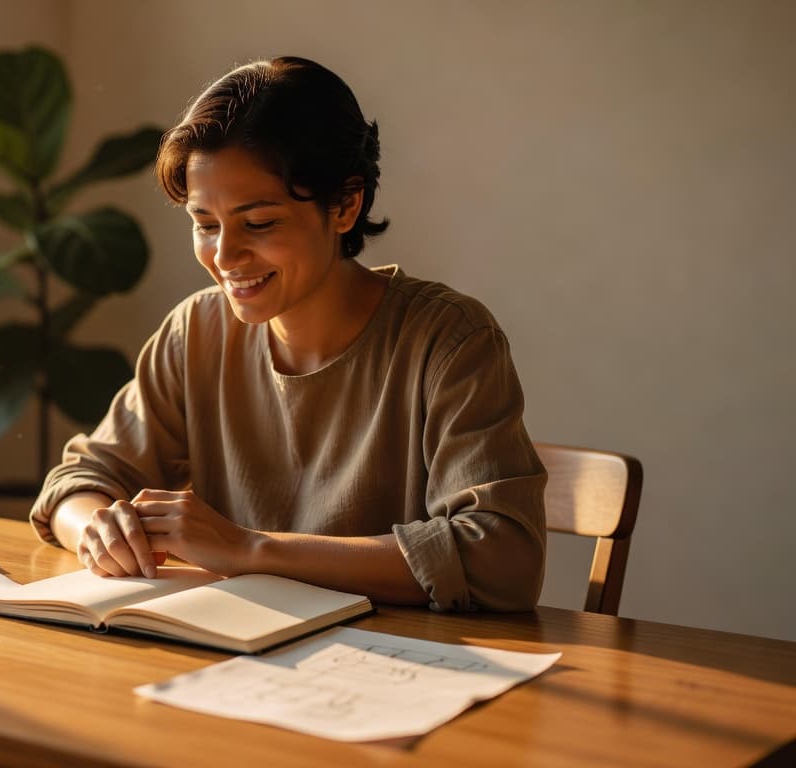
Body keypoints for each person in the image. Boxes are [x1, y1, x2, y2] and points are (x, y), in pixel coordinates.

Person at [28, 56, 546, 612]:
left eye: (259, 223)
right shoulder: (196, 332)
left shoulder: (448, 340)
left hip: (393, 669)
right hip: (231, 661)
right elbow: (79, 480)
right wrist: (99, 527)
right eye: (205, 224)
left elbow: (502, 559)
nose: (225, 256)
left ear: (346, 204)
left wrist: (251, 549)